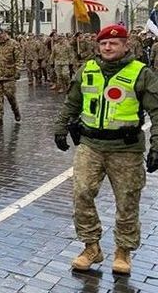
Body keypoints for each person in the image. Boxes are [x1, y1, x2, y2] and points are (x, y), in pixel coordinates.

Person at [54, 23, 158, 275]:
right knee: (81, 194)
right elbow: (72, 102)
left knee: (127, 201)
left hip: (126, 149)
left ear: (126, 45)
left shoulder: (141, 73)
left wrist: (157, 145)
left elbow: (157, 111)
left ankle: (123, 251)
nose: (108, 47)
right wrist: (60, 127)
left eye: (113, 43)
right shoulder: (87, 69)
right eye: (103, 43)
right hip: (91, 146)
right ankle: (91, 247)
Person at [0, 27, 22, 124]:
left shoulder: (13, 44)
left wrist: (18, 71)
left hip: (9, 75)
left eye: (0, 36)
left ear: (4, 33)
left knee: (10, 96)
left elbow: (19, 59)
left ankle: (16, 111)